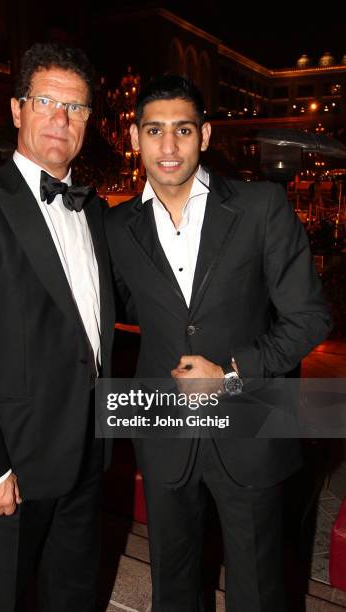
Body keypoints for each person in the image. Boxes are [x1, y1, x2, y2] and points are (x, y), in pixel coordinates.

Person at [105, 74, 331, 612]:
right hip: (162, 425)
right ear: (134, 138)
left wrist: (230, 371)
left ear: (204, 136)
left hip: (251, 419)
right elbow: (126, 307)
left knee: (258, 587)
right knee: (173, 586)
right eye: (154, 130)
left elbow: (310, 319)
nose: (168, 146)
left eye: (182, 130)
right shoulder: (114, 227)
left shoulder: (260, 207)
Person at [0, 42, 114, 612]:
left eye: (76, 107)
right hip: (12, 464)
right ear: (16, 110)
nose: (61, 118)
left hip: (86, 455)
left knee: (73, 596)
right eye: (46, 101)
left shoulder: (95, 211)